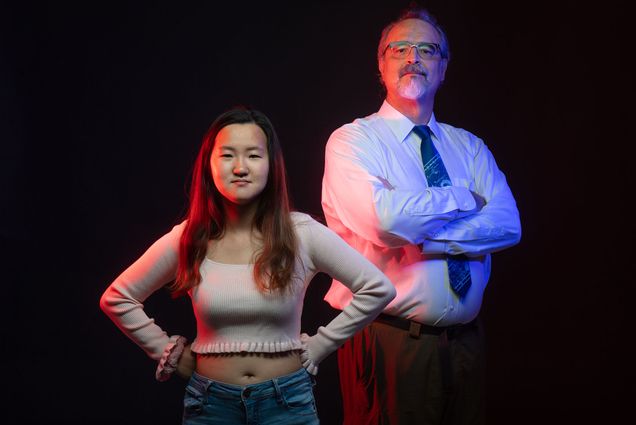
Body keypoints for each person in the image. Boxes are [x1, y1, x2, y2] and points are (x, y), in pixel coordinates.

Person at [100, 106, 396, 425]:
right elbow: (117, 298)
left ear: (271, 166)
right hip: (210, 407)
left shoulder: (301, 233)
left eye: (254, 156)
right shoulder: (189, 237)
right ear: (209, 166)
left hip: (287, 405)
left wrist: (322, 344)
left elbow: (378, 288)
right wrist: (167, 353)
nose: (240, 167)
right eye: (227, 156)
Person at [321, 6, 522, 425]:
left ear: (443, 67)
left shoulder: (468, 147)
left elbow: (507, 224)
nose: (413, 58)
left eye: (427, 50)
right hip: (389, 343)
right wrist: (464, 196)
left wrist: (425, 238)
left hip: (466, 344)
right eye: (401, 48)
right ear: (382, 63)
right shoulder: (353, 141)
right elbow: (383, 222)